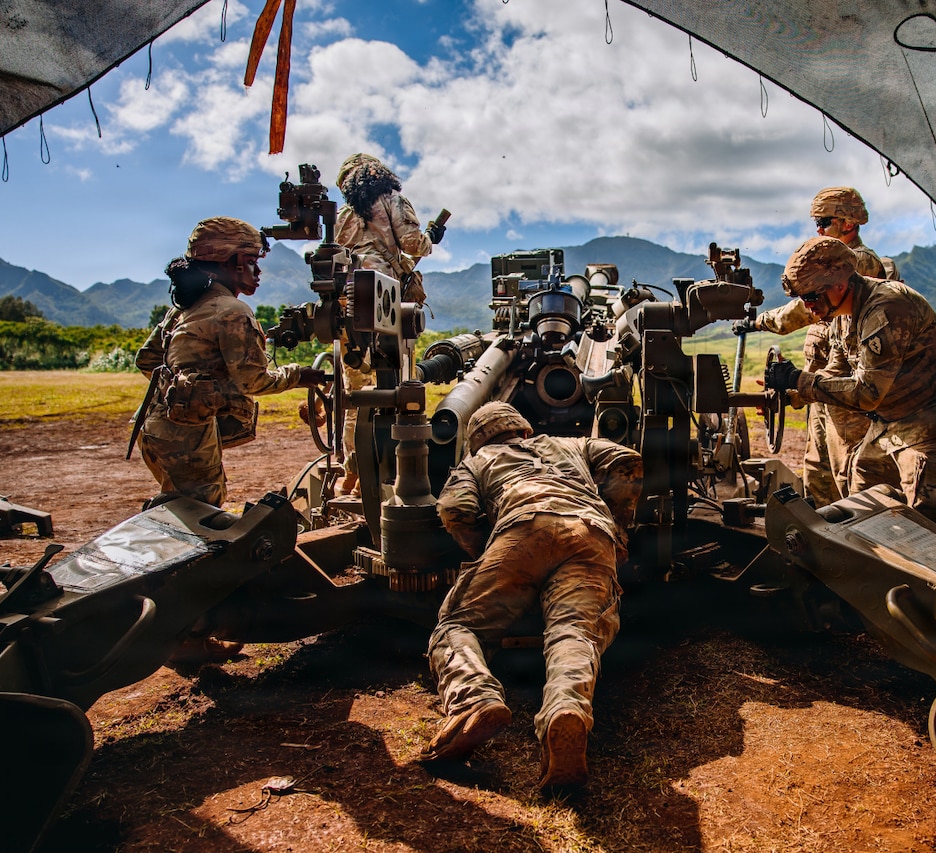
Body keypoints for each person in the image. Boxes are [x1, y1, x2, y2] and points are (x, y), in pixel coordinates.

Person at [423, 401, 643, 790]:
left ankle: (474, 700)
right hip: (590, 534)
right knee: (574, 632)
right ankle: (566, 709)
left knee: (457, 624)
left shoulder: (476, 461)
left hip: (522, 528)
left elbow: (454, 509)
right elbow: (627, 460)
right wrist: (617, 524)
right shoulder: (572, 445)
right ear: (525, 429)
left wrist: (488, 553)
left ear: (476, 442)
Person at [763, 236, 936, 533]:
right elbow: (837, 371)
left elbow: (866, 394)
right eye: (803, 299)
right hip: (893, 417)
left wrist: (800, 380)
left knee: (927, 518)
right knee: (864, 485)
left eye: (812, 297)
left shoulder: (886, 309)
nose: (808, 307)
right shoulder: (842, 315)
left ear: (839, 284)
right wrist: (795, 391)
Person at [135, 217, 326, 508]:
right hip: (188, 439)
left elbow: (146, 359)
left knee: (175, 505)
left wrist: (186, 392)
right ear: (228, 262)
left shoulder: (184, 309)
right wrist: (299, 375)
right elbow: (254, 381)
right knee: (199, 512)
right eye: (251, 261)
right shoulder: (232, 311)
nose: (258, 270)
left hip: (153, 427)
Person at [734, 187, 890, 506]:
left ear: (848, 223)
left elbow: (802, 310)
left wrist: (760, 321)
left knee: (848, 472)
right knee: (818, 470)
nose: (817, 230)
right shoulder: (833, 263)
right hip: (824, 388)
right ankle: (824, 536)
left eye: (823, 222)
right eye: (816, 223)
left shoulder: (857, 263)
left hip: (846, 395)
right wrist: (798, 390)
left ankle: (861, 544)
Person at [333, 152, 446, 495]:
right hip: (385, 302)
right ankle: (390, 471)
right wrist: (430, 237)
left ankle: (353, 475)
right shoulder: (392, 200)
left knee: (357, 394)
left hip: (347, 304)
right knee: (396, 387)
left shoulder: (343, 215)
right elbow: (414, 245)